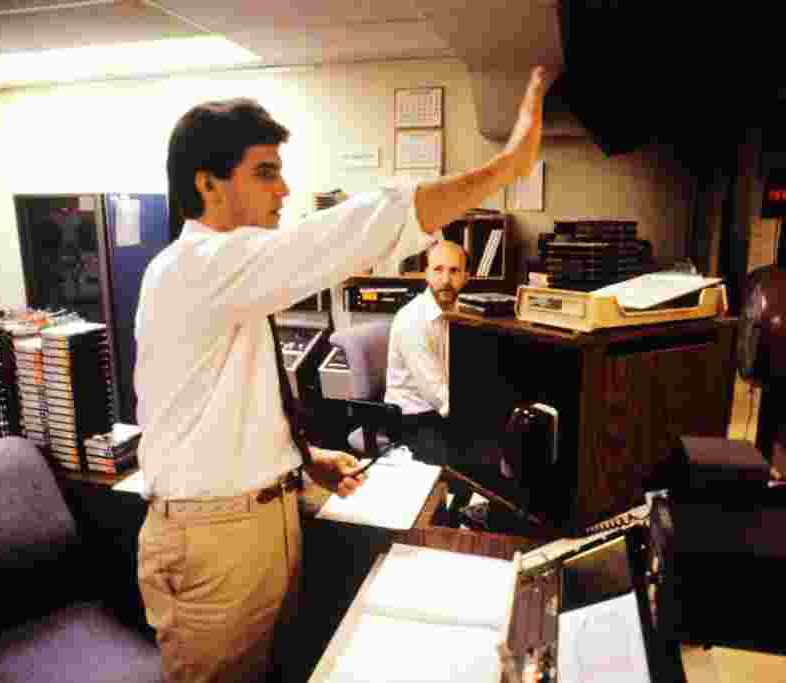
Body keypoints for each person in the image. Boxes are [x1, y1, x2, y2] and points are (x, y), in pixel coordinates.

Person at [133, 65, 549, 683]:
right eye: (265, 172)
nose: (282, 190)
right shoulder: (193, 266)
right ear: (208, 184)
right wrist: (505, 167)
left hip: (260, 523)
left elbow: (231, 408)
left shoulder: (229, 280)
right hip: (216, 544)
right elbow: (349, 233)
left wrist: (302, 459)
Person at [382, 240, 469, 466]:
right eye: (438, 270)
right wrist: (479, 417)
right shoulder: (412, 320)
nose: (446, 280)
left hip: (445, 410)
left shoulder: (464, 314)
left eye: (454, 271)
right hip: (413, 419)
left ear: (466, 276)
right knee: (465, 466)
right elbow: (438, 395)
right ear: (426, 274)